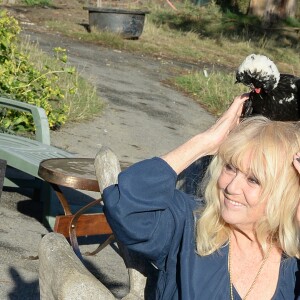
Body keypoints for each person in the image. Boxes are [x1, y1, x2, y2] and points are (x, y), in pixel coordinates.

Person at [103, 93, 300, 299]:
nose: (231, 187)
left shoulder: (293, 264)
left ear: (285, 192)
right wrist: (204, 143)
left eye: (253, 180)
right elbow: (124, 206)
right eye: (230, 168)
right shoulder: (190, 224)